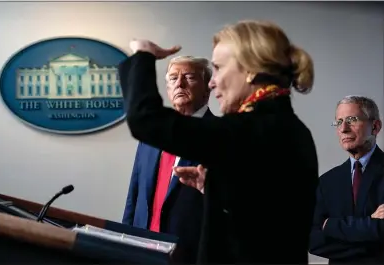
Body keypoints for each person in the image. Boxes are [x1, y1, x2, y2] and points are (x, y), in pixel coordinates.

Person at [118, 20, 319, 264]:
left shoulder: (251, 129)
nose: (213, 82)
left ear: (249, 70)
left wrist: (143, 55)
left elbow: (145, 120)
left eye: (219, 68)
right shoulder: (288, 129)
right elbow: (261, 215)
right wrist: (214, 189)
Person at [122, 55, 214, 263]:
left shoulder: (221, 135)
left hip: (192, 254)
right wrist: (124, 241)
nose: (179, 83)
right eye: (173, 78)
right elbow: (134, 196)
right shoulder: (150, 137)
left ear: (208, 88)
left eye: (189, 77)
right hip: (143, 251)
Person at [309, 95, 384, 264]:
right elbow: (312, 240)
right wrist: (372, 230)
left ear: (375, 126)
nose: (343, 128)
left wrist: (330, 226)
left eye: (352, 119)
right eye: (339, 121)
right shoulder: (327, 182)